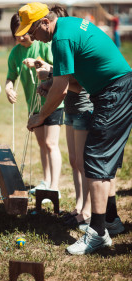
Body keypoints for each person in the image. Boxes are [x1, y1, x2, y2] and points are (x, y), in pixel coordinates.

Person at [15, 2, 131, 255]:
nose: (33, 37)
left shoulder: (61, 37)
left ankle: (98, 233)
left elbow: (62, 89)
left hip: (115, 93)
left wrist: (40, 116)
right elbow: (75, 83)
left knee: (96, 161)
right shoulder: (68, 27)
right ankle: (111, 219)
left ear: (45, 22)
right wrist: (52, 85)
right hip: (112, 92)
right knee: (103, 162)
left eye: (33, 31)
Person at [5, 13, 64, 200]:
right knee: (41, 144)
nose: (21, 37)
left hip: (54, 101)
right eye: (17, 34)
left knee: (50, 143)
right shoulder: (15, 53)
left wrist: (38, 64)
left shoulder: (43, 44)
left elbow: (58, 69)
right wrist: (8, 88)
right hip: (34, 106)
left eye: (24, 33)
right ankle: (46, 182)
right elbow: (10, 76)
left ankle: (54, 189)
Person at [35, 60, 92, 228]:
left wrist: (51, 75)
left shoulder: (75, 49)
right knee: (74, 161)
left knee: (83, 164)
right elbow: (66, 82)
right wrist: (49, 85)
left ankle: (87, 212)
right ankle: (79, 205)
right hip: (71, 110)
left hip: (84, 110)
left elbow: (78, 84)